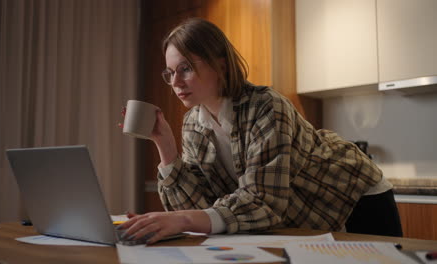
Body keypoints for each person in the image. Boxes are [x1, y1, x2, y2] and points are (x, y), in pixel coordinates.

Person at [118, 18, 402, 244]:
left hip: (354, 195)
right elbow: (201, 207)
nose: (176, 82)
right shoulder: (193, 123)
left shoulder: (266, 107)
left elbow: (263, 200)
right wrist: (165, 146)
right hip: (297, 217)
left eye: (186, 68)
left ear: (221, 65)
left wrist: (183, 220)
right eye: (170, 73)